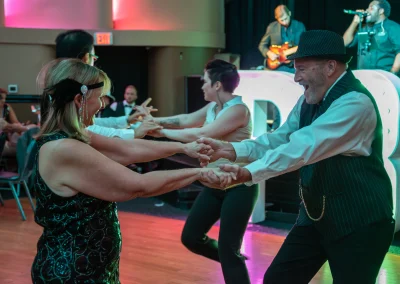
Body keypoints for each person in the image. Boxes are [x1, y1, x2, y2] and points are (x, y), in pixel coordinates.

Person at [200, 30, 394, 283]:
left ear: (330, 67)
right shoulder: (309, 100)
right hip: (316, 219)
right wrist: (233, 150)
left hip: (360, 224)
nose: (295, 77)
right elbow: (281, 137)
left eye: (301, 69)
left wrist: (249, 173)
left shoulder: (356, 104)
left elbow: (302, 147)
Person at [31, 58, 232, 283]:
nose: (102, 106)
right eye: (99, 99)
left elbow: (127, 149)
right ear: (79, 100)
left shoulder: (71, 136)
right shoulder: (65, 147)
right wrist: (198, 174)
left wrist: (185, 148)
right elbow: (137, 186)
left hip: (87, 265)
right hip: (72, 271)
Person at [147, 59, 257, 284]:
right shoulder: (213, 107)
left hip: (238, 189)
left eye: (204, 81)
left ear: (217, 85)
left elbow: (202, 134)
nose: (202, 86)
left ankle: (232, 259)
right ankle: (233, 259)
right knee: (191, 238)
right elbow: (186, 120)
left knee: (228, 250)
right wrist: (151, 121)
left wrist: (161, 133)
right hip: (213, 186)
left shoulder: (238, 110)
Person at [51, 29, 158, 139]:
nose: (102, 104)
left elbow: (89, 124)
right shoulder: (74, 86)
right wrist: (133, 133)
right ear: (86, 58)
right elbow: (85, 130)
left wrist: (127, 120)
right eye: (99, 97)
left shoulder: (56, 80)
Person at [343, 0, 400, 75]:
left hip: (384, 75)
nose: (367, 10)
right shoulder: (363, 28)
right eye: (367, 7)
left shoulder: (393, 27)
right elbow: (344, 43)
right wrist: (355, 22)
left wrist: (393, 72)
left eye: (371, 8)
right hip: (363, 75)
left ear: (381, 11)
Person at [258, 5, 306, 73]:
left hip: (294, 66)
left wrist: (288, 52)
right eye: (281, 20)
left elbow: (304, 47)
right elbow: (262, 45)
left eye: (286, 18)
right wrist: (268, 53)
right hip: (276, 66)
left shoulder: (299, 26)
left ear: (289, 13)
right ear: (276, 18)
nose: (284, 22)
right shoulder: (272, 27)